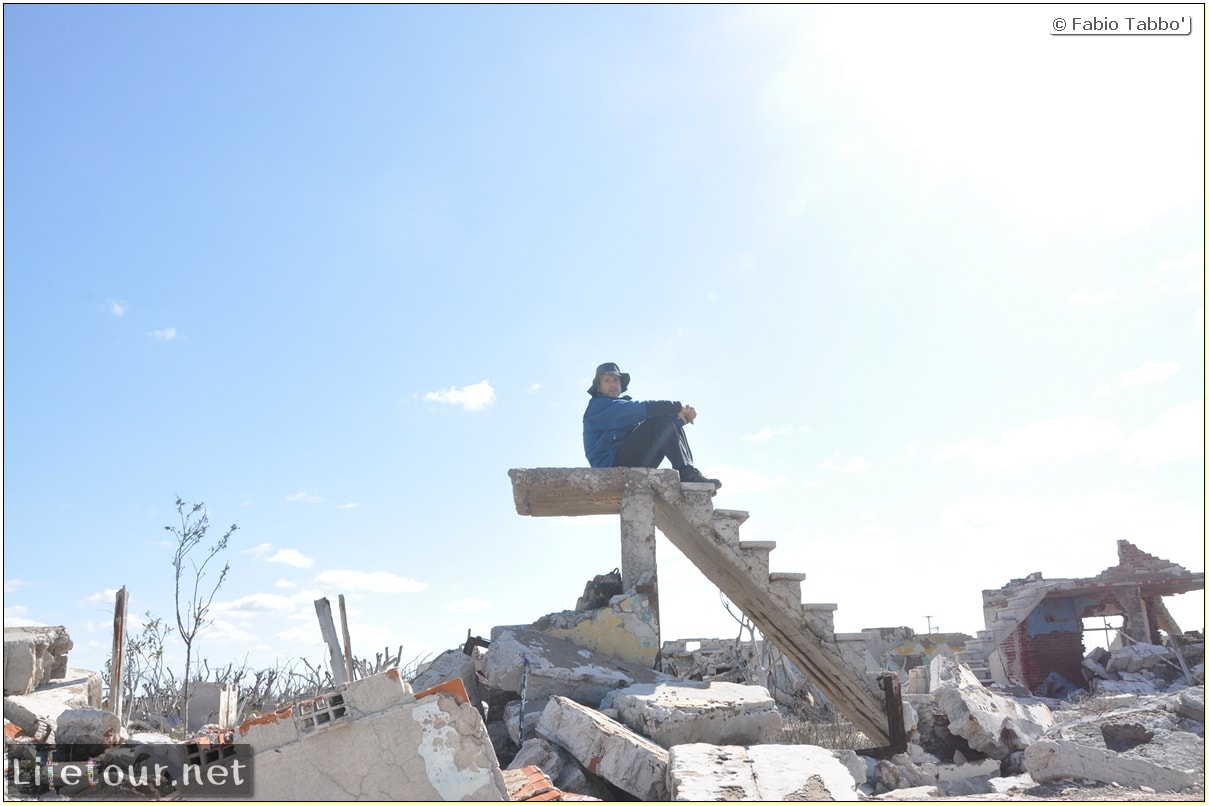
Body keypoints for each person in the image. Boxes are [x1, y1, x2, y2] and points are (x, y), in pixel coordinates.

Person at [582, 362, 721, 488]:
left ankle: (689, 473)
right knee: (660, 419)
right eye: (607, 380)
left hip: (628, 460)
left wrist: (679, 419)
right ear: (598, 387)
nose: (612, 384)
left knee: (667, 420)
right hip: (611, 466)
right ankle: (686, 473)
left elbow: (657, 430)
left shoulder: (619, 407)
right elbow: (642, 409)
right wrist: (677, 407)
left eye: (615, 380)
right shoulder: (598, 407)